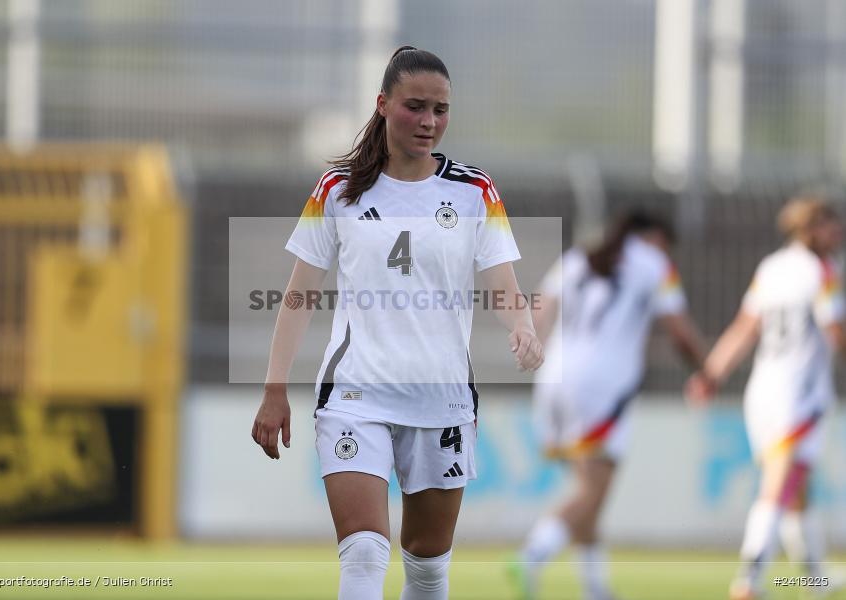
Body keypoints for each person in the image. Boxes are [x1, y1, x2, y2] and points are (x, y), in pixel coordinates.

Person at [251, 46, 544, 600]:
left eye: (441, 109)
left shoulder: (474, 190)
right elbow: (297, 296)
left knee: (428, 571)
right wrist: (273, 389)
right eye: (416, 106)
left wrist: (522, 326)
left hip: (442, 400)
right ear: (383, 105)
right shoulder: (337, 189)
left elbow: (503, 285)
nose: (429, 121)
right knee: (363, 552)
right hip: (355, 395)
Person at [511, 210, 707, 600]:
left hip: (554, 379)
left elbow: (541, 311)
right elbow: (680, 331)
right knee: (594, 489)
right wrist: (708, 369)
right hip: (604, 387)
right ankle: (533, 554)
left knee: (588, 487)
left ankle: (595, 587)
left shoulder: (579, 257)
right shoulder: (654, 264)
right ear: (653, 237)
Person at [686, 195, 846, 600]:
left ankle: (812, 578)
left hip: (762, 393)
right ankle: (749, 580)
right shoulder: (823, 270)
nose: (838, 231)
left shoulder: (771, 268)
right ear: (809, 230)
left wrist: (711, 373)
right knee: (779, 485)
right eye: (830, 224)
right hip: (801, 395)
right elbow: (836, 331)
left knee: (795, 487)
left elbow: (744, 327)